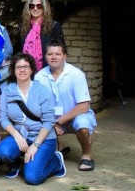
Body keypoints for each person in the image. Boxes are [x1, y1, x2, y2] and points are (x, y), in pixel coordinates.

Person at [0, 53, 66, 185]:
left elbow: (49, 120)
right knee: (3, 152)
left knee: (32, 177)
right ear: (13, 70)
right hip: (20, 135)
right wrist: (17, 136)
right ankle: (17, 164)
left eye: (26, 67)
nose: (22, 70)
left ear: (32, 70)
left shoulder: (41, 90)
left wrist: (35, 145)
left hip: (43, 138)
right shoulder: (7, 91)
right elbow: (3, 119)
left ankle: (56, 162)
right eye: (18, 67)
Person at [35, 41, 98, 171]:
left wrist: (60, 121)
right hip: (51, 119)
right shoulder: (39, 77)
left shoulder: (76, 74)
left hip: (75, 116)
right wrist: (50, 124)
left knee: (83, 125)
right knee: (32, 124)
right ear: (45, 56)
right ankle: (60, 147)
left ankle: (86, 156)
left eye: (57, 54)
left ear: (65, 56)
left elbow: (84, 106)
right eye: (50, 54)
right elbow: (37, 106)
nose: (53, 57)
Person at [19, 0, 65, 71]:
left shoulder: (53, 26)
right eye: (32, 6)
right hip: (27, 71)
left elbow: (62, 50)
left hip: (48, 71)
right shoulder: (24, 27)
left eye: (39, 6)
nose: (35, 8)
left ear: (44, 8)